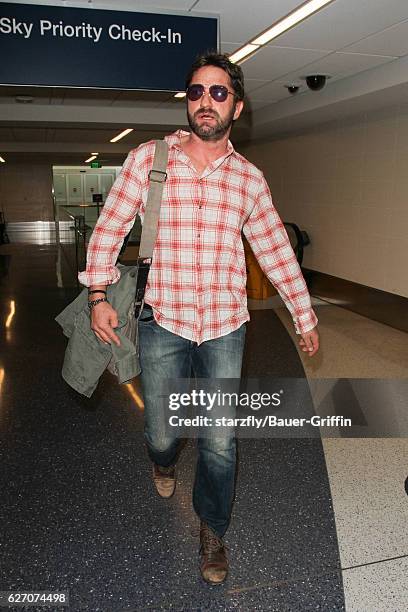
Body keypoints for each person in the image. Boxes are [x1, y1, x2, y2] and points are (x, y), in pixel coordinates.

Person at [78, 52, 319, 585]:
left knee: (218, 438)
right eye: (195, 92)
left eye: (217, 93)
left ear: (237, 106)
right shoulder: (150, 160)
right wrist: (97, 295)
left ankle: (212, 529)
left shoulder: (249, 180)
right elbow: (110, 228)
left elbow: (275, 248)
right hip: (162, 321)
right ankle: (162, 460)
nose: (204, 102)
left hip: (225, 326)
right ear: (186, 101)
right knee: (162, 431)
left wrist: (303, 312)